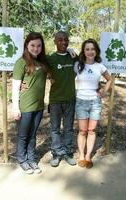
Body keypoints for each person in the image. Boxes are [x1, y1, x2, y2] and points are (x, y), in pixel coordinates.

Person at [12, 32, 49, 174]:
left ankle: (32, 159)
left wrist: (70, 50)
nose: (36, 48)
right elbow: (15, 87)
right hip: (25, 107)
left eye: (39, 45)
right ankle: (22, 160)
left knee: (33, 134)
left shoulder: (42, 62)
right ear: (27, 45)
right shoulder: (21, 62)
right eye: (33, 45)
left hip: (39, 107)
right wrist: (15, 107)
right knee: (23, 135)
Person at [74, 38, 111, 169]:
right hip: (81, 101)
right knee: (83, 130)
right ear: (84, 51)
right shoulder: (77, 65)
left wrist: (103, 92)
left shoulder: (100, 66)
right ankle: (81, 155)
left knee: (92, 130)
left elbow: (109, 79)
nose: (90, 52)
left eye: (92, 49)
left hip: (95, 102)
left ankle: (88, 156)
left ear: (96, 51)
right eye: (87, 49)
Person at [47, 31, 78, 167]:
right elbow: (37, 66)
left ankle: (67, 152)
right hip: (55, 100)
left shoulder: (73, 58)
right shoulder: (51, 59)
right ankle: (56, 153)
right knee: (55, 129)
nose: (63, 42)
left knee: (68, 128)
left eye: (66, 40)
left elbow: (89, 58)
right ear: (55, 42)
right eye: (60, 40)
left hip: (70, 99)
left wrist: (73, 51)